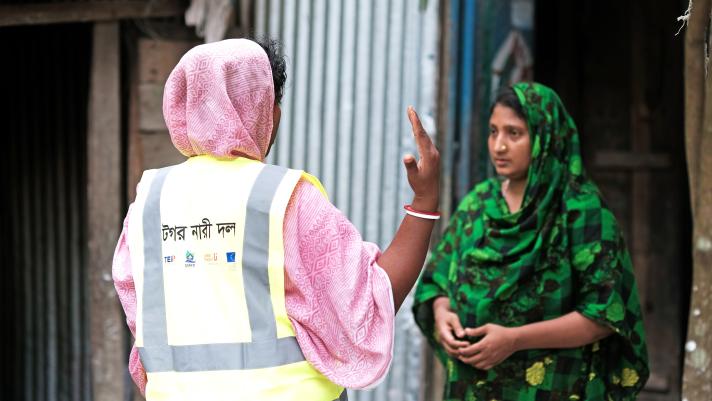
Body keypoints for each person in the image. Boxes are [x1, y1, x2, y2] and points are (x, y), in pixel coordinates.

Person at [112, 38, 440, 400]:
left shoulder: (147, 204)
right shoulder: (284, 198)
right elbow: (367, 303)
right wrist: (425, 202)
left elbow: (141, 325)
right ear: (270, 113)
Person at [412, 82, 649, 401]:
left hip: (556, 387)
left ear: (545, 137)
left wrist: (514, 339)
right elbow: (436, 280)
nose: (498, 146)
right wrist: (442, 314)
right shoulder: (478, 204)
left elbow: (604, 313)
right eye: (493, 131)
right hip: (473, 387)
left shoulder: (580, 211)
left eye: (514, 133)